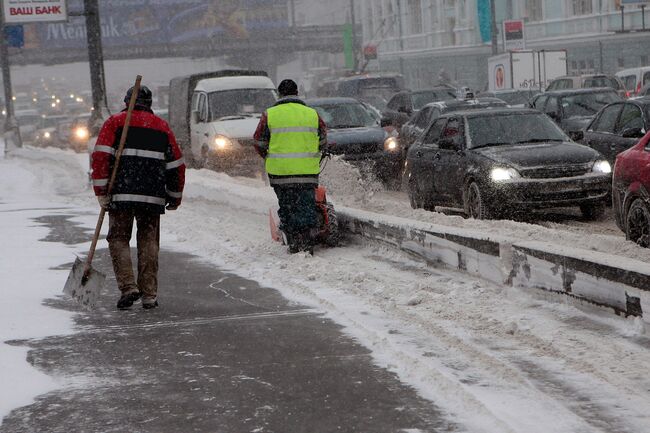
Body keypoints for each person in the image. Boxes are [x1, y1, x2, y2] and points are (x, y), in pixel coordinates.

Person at [91, 85, 185, 310]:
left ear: (126, 102)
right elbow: (176, 165)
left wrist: (101, 192)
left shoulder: (115, 123)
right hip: (152, 197)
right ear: (150, 104)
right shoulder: (162, 127)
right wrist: (174, 196)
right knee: (149, 241)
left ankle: (128, 287)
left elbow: (101, 158)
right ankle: (149, 294)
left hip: (121, 193)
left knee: (118, 238)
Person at [254, 79, 327, 254]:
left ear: (279, 94)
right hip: (307, 172)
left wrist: (269, 156)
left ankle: (293, 239)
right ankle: (308, 239)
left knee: (287, 205)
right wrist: (314, 154)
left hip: (281, 172)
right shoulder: (312, 114)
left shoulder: (270, 114)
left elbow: (258, 142)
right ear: (297, 93)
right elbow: (323, 140)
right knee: (306, 204)